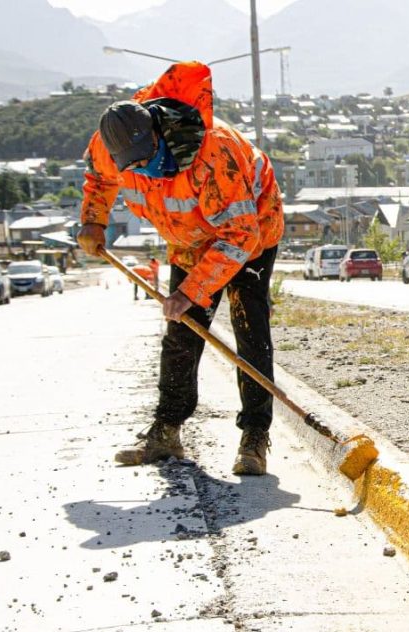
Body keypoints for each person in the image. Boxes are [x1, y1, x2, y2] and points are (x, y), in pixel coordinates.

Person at [76, 61, 284, 476]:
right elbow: (98, 180)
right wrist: (93, 221)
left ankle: (254, 436)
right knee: (181, 332)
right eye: (130, 166)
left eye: (146, 160)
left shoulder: (214, 154)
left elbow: (239, 236)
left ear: (159, 132)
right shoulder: (111, 147)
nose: (138, 172)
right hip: (189, 240)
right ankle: (167, 430)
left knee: (249, 330)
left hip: (249, 235)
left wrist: (192, 290)